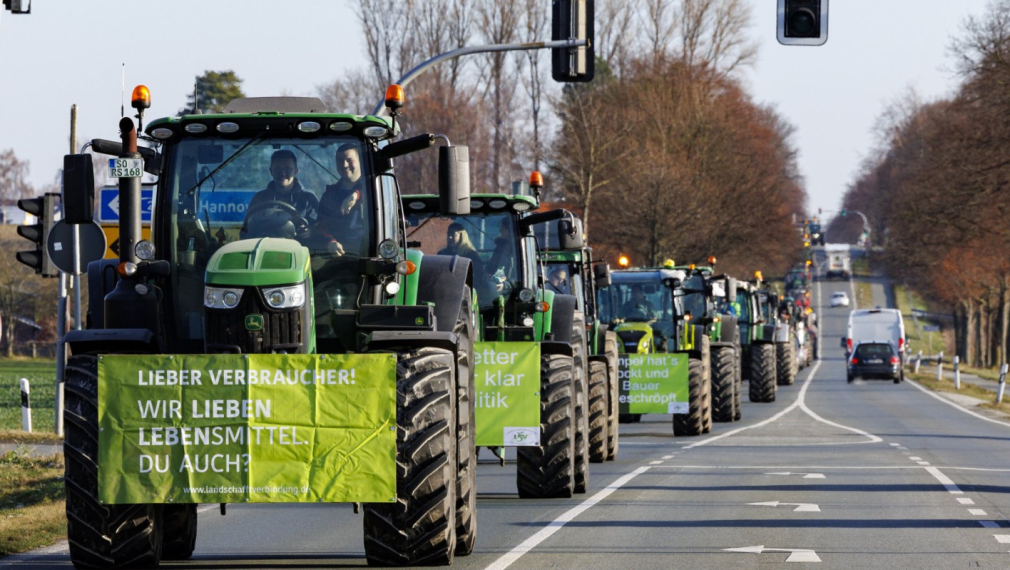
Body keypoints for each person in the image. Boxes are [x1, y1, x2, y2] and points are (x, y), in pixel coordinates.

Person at [241, 149, 318, 238]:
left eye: (288, 169)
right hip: (264, 249)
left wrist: (309, 232)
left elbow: (320, 230)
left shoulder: (309, 199)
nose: (283, 173)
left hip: (299, 249)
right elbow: (245, 231)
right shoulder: (259, 198)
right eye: (277, 168)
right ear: (271, 171)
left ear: (295, 171)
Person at [315, 143, 367, 256]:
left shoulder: (373, 190)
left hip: (366, 253)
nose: (344, 165)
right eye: (340, 161)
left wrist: (357, 194)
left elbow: (370, 188)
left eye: (349, 160)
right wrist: (330, 241)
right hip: (335, 254)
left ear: (360, 162)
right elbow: (321, 225)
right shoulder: (329, 195)